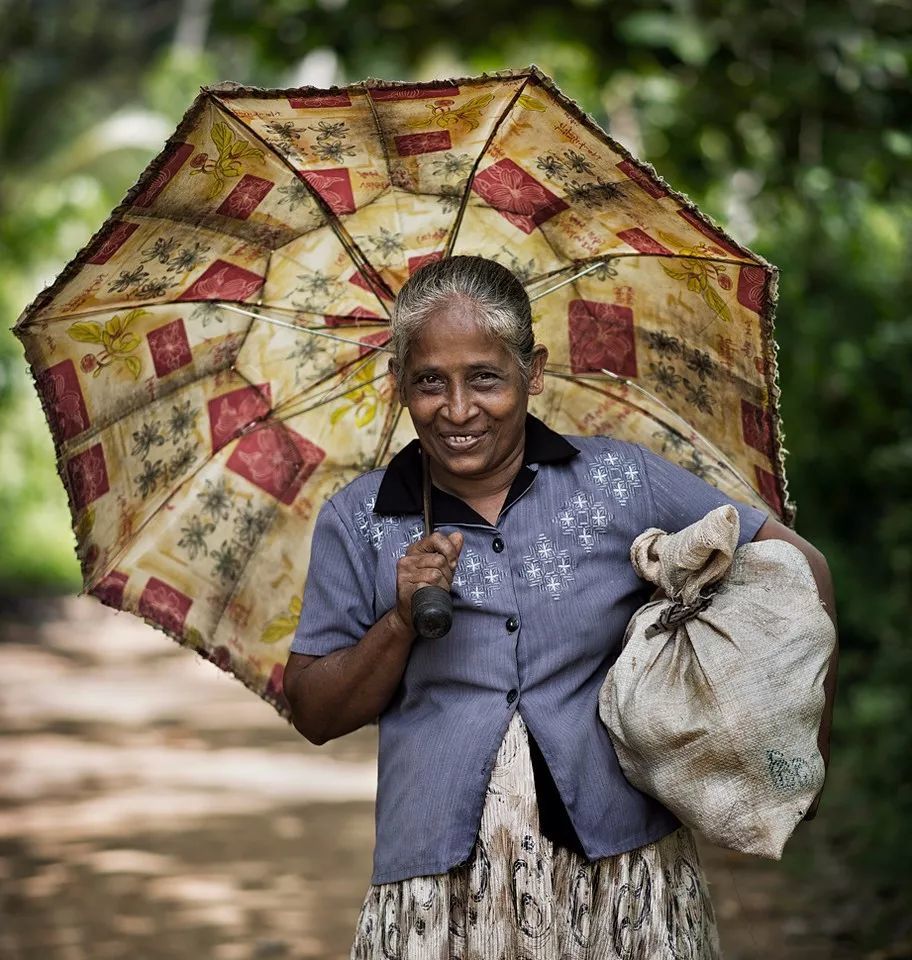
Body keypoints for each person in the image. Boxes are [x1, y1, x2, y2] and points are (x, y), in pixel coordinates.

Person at [283, 256, 837, 960]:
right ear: (399, 383)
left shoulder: (618, 480)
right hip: (438, 895)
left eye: (485, 378)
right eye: (429, 382)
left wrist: (801, 759)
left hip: (626, 881)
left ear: (533, 372)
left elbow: (800, 568)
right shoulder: (359, 520)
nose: (458, 409)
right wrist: (397, 622)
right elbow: (315, 711)